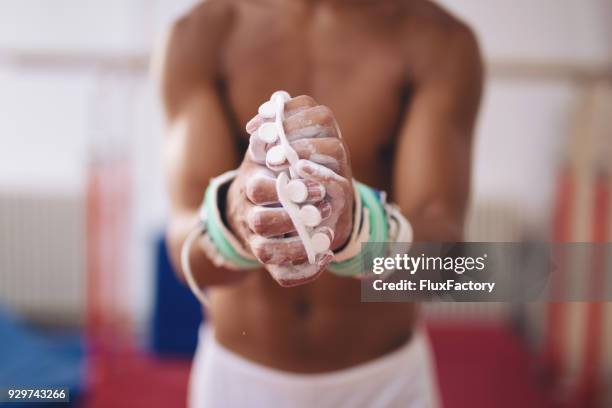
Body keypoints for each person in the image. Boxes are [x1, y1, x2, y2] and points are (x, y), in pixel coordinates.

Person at [155, 0, 482, 406]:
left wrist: (357, 231)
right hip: (240, 383)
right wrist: (235, 217)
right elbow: (184, 249)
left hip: (384, 385)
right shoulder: (201, 34)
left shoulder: (438, 40)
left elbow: (443, 262)